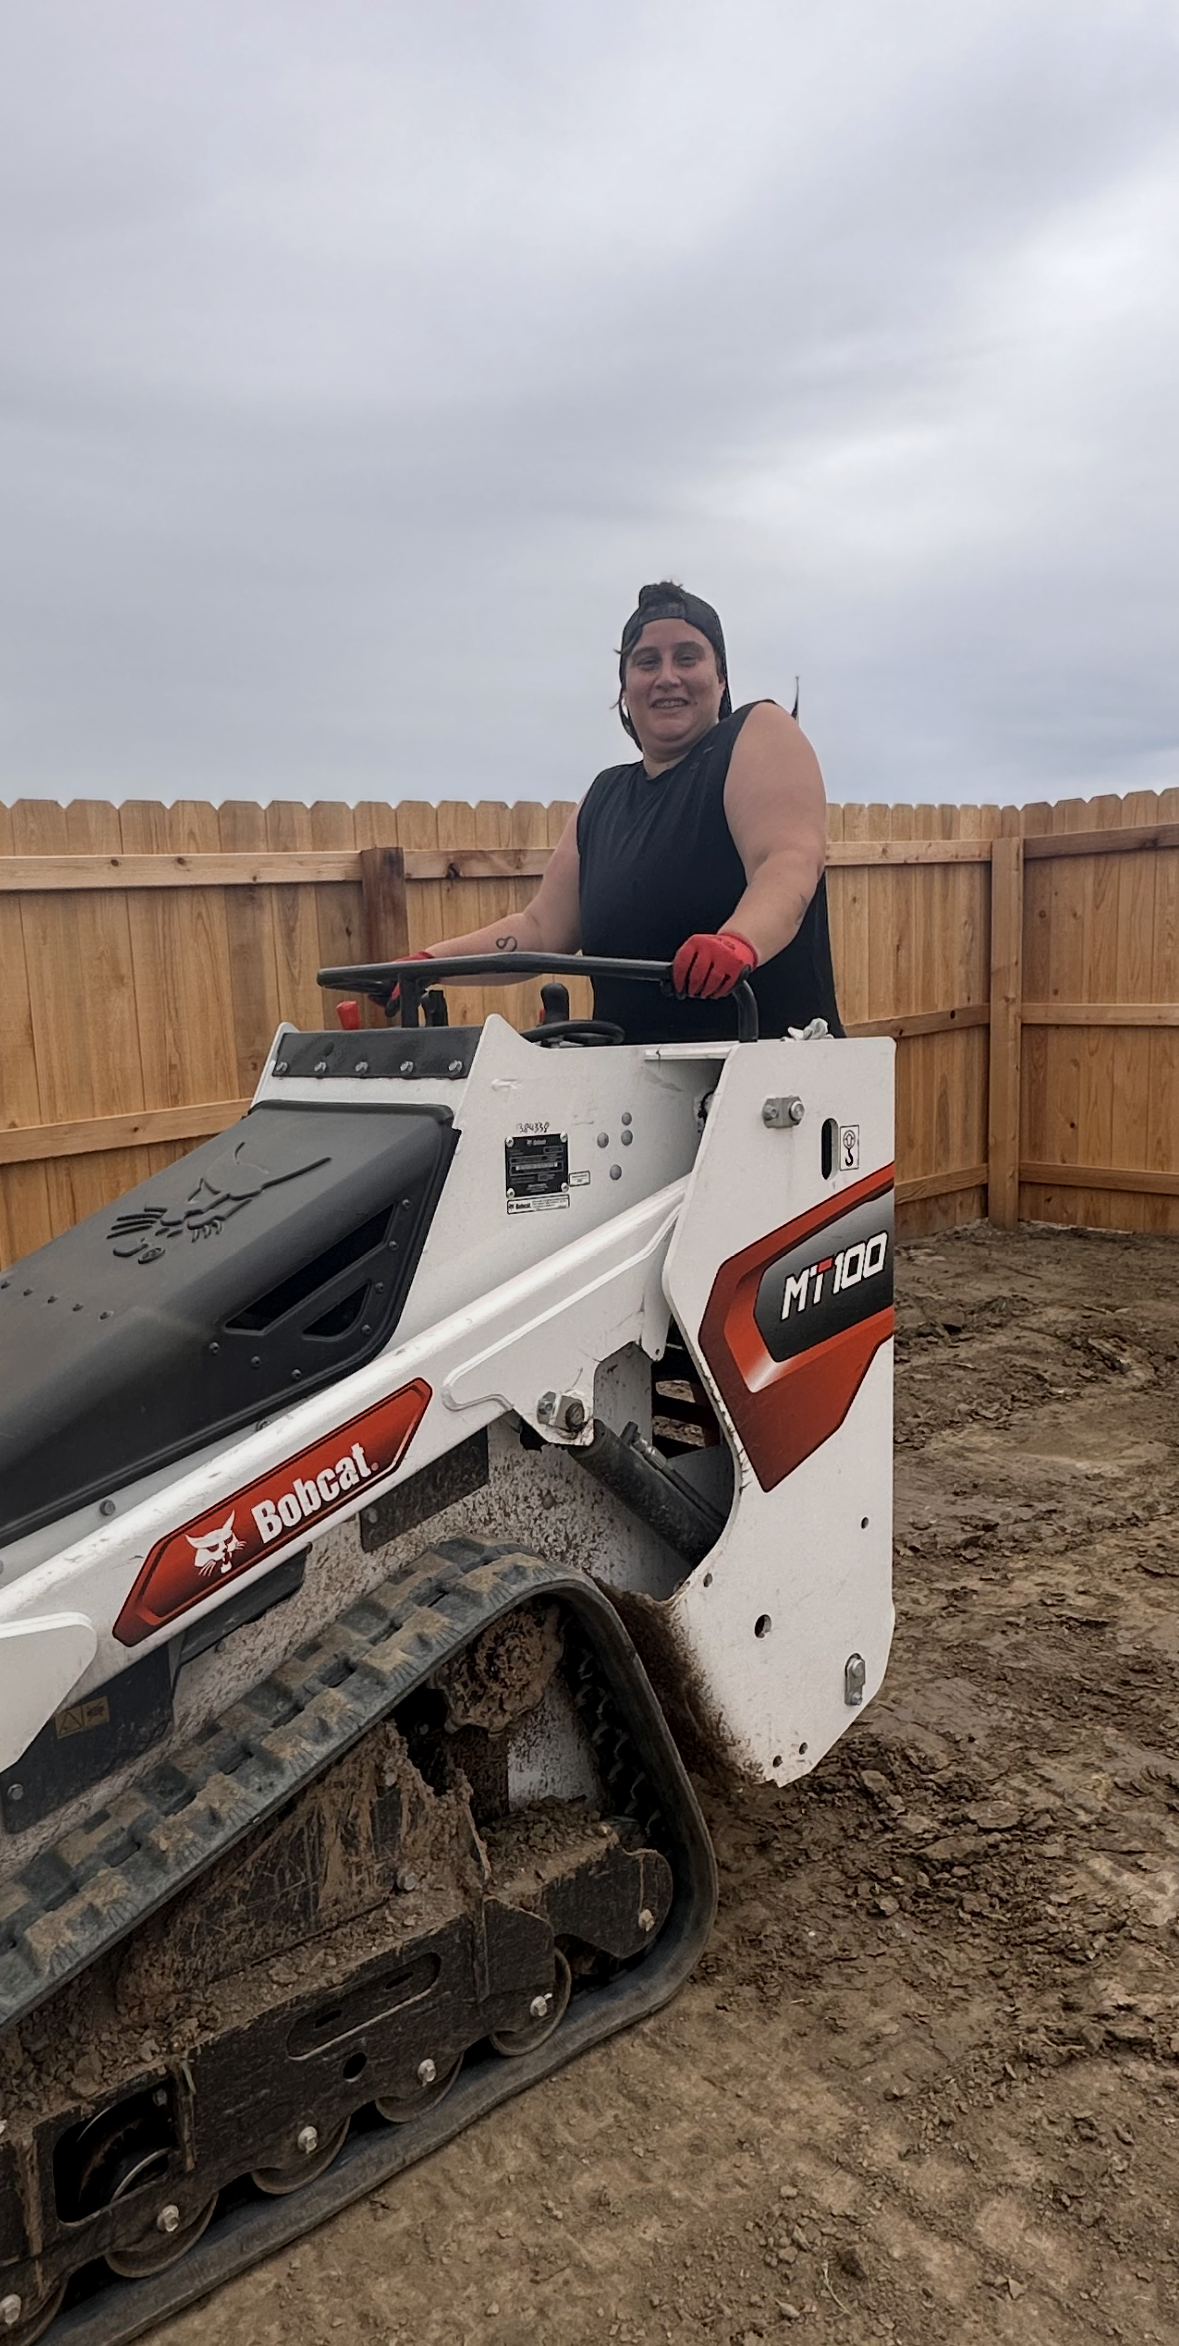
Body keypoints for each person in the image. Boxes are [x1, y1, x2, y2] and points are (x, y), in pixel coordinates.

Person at [408, 581, 843, 1043]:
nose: (667, 676)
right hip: (630, 1093)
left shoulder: (757, 734)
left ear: (721, 679)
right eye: (647, 662)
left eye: (687, 657)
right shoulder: (604, 796)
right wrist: (427, 966)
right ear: (625, 689)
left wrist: (737, 941)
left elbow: (788, 862)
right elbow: (539, 930)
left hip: (773, 1081)